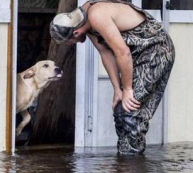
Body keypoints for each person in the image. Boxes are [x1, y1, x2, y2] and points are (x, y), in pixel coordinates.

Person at [50, 0, 175, 155]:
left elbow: (123, 53)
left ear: (76, 33)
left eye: (69, 42)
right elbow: (106, 53)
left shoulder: (96, 15)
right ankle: (125, 164)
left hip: (156, 50)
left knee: (129, 111)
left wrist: (128, 88)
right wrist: (117, 89)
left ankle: (131, 168)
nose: (72, 44)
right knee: (119, 109)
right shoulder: (84, 20)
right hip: (137, 55)